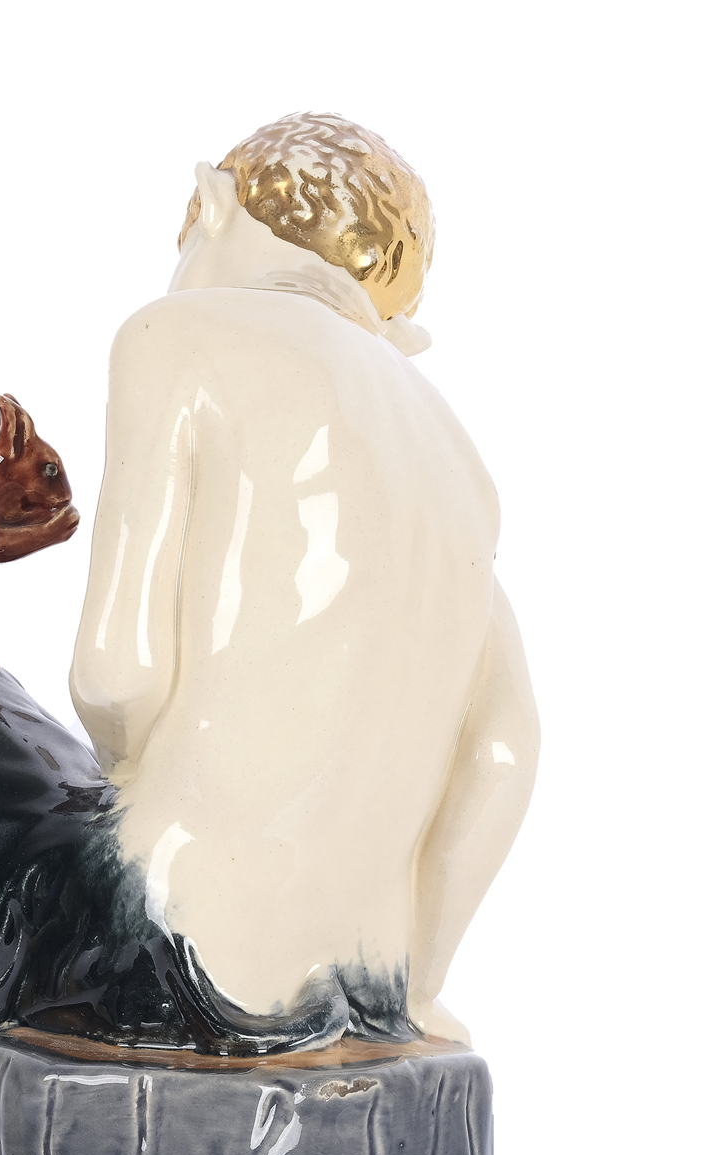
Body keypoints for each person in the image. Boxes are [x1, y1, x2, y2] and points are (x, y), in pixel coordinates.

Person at [70, 113, 538, 1045]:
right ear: (395, 327)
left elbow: (116, 677)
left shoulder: (175, 334)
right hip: (366, 983)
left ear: (210, 205)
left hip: (169, 938)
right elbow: (503, 752)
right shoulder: (460, 458)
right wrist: (418, 984)